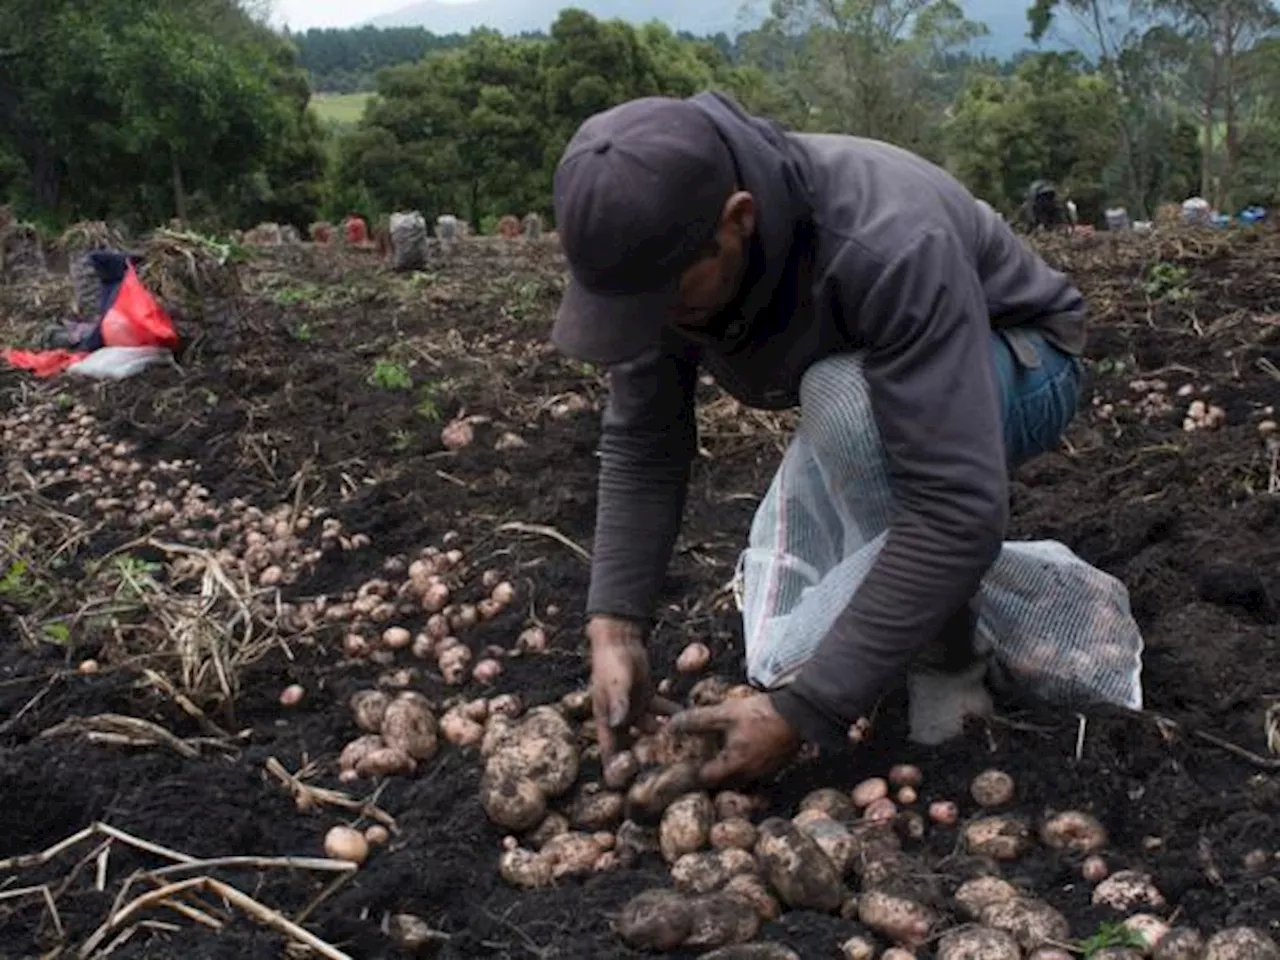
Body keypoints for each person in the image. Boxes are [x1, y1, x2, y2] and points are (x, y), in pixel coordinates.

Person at [549, 93, 1088, 788]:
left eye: (667, 300)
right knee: (852, 409)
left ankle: (950, 658)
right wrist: (615, 627)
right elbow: (646, 443)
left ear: (738, 222)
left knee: (847, 407)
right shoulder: (662, 239)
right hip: (892, 372)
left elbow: (956, 508)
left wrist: (804, 709)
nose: (657, 322)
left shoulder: (889, 241)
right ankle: (899, 618)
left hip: (1026, 359)